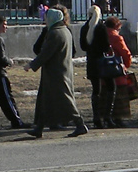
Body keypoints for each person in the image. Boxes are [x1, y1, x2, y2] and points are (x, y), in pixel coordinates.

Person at [25, 8, 90, 138]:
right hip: (59, 70)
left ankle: (79, 123)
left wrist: (32, 65)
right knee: (45, 100)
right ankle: (39, 127)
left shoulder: (55, 33)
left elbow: (46, 53)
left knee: (65, 98)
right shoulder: (64, 31)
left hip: (57, 72)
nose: (45, 20)